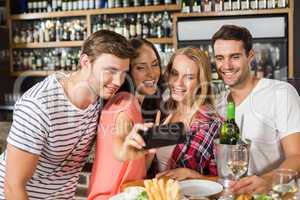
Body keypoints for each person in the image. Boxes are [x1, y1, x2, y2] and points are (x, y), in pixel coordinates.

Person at [0, 30, 136, 199]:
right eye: (110, 71)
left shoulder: (100, 95)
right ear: (85, 62)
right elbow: (13, 187)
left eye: (123, 73)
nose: (118, 81)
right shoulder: (39, 106)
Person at [212, 25, 300, 195]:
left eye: (235, 57)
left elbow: (297, 155)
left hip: (274, 195)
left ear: (250, 56)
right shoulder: (218, 104)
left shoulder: (281, 93)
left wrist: (268, 180)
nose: (226, 65)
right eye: (220, 58)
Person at [87, 38, 164, 200]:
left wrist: (149, 151)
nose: (152, 73)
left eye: (155, 64)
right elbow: (120, 147)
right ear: (128, 72)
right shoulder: (126, 102)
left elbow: (135, 167)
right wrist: (123, 149)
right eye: (141, 67)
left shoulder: (129, 103)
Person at [155, 47, 223, 181]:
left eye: (189, 77)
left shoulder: (212, 124)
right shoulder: (164, 114)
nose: (178, 83)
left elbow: (229, 182)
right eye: (175, 73)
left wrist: (193, 175)